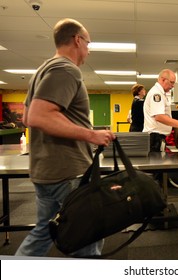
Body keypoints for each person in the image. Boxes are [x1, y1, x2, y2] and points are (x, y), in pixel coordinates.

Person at [15, 18, 116, 257]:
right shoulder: (66, 69)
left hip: (45, 172)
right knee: (87, 235)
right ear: (77, 40)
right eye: (88, 43)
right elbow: (39, 116)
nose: (88, 50)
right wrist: (92, 135)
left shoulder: (43, 70)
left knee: (43, 232)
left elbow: (28, 117)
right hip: (68, 172)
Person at [143, 69, 178, 152]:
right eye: (171, 82)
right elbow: (159, 117)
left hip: (157, 138)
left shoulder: (161, 93)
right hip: (155, 139)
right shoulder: (156, 94)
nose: (173, 85)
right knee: (157, 162)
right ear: (163, 79)